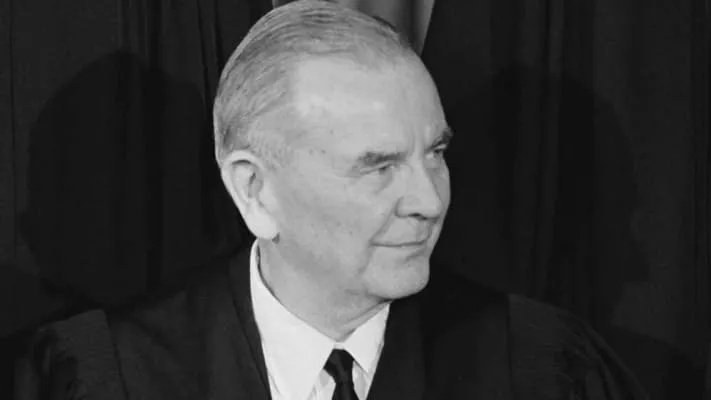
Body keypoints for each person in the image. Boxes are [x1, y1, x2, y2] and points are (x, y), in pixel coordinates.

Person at [12, 1, 648, 399]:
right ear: (254, 190)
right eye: (378, 166)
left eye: (435, 153)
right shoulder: (109, 376)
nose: (429, 201)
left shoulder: (539, 368)